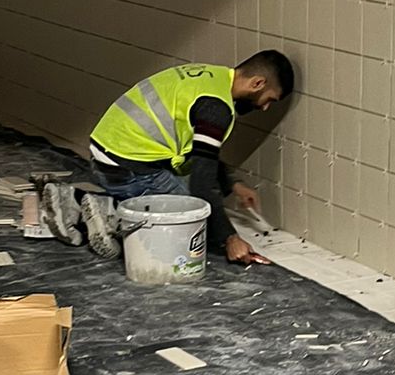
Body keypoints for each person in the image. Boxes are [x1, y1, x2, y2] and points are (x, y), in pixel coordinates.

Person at [41, 51, 295, 265]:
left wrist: (233, 184)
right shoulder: (216, 108)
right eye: (269, 100)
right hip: (127, 167)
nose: (264, 108)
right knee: (192, 223)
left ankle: (76, 200)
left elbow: (201, 154)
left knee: (195, 200)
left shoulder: (210, 76)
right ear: (257, 83)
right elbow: (202, 182)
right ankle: (110, 214)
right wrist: (230, 238)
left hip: (106, 152)